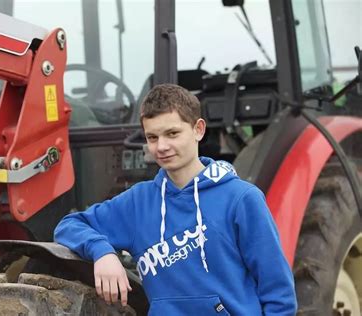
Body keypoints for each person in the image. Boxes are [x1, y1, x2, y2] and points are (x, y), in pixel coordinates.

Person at [54, 83, 297, 315]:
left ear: (198, 130)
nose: (162, 146)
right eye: (152, 137)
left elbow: (278, 293)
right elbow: (69, 225)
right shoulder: (138, 203)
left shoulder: (242, 199)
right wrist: (102, 252)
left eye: (172, 133)